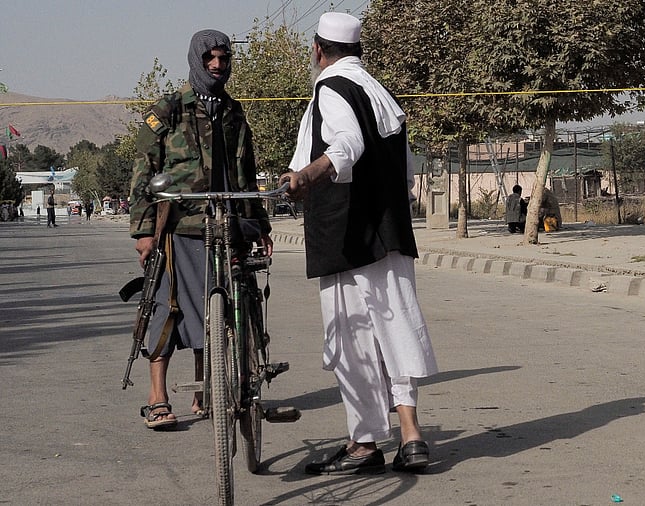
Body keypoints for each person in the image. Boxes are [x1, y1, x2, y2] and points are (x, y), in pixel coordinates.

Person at [280, 12, 438, 475]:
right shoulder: (378, 91)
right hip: (389, 234)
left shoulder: (330, 89)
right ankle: (411, 437)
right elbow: (407, 173)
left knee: (353, 340)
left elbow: (347, 144)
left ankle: (365, 444)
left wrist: (306, 175)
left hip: (347, 235)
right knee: (396, 330)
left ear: (317, 49)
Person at [128, 29, 273, 430]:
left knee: (225, 309)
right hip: (177, 227)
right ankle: (157, 398)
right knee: (167, 309)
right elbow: (144, 173)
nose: (216, 65)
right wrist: (144, 232)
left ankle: (206, 391)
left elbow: (245, 175)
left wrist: (260, 224)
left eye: (223, 58)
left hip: (228, 225)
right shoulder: (168, 110)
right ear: (195, 58)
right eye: (209, 57)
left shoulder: (234, 113)